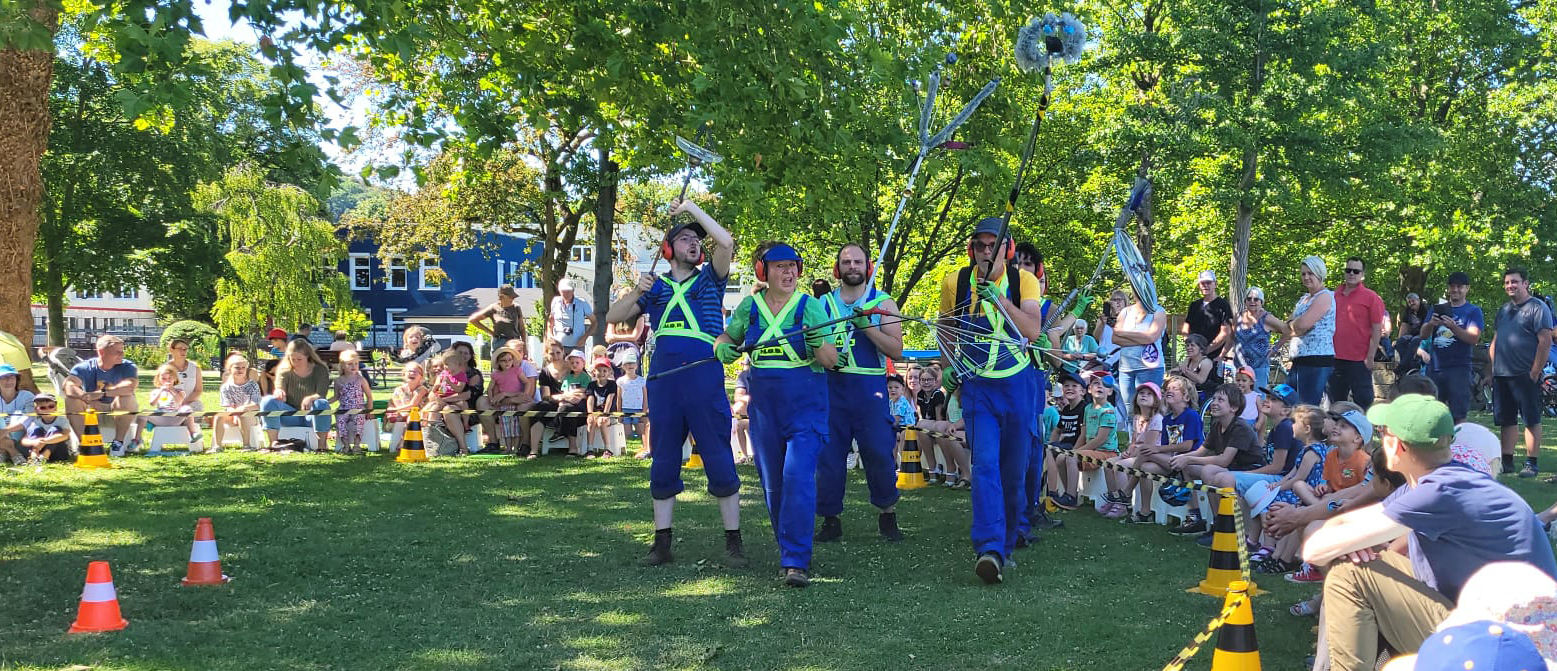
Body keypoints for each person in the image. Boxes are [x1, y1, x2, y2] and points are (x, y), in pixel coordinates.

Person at [1302, 394, 1557, 670]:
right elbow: (1339, 527)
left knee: (1350, 572)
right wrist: (1349, 543)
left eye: (1382, 432)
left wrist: (1347, 544)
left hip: (1505, 650)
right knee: (1357, 562)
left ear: (1395, 445)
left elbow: (1315, 549)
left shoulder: (1439, 492)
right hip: (1500, 632)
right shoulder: (1445, 480)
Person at [605, 199, 746, 569]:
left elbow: (726, 243)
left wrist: (690, 209)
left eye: (695, 240)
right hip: (665, 379)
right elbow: (614, 316)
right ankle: (661, 543)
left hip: (703, 374)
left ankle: (734, 542)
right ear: (668, 250)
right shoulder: (655, 287)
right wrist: (637, 290)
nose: (693, 244)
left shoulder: (711, 279)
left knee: (717, 453)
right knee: (663, 457)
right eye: (684, 239)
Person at [717, 241, 838, 587]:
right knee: (774, 485)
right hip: (765, 408)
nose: (788, 273)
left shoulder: (811, 307)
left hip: (806, 404)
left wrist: (818, 341)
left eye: (793, 266)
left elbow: (830, 360)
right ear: (762, 271)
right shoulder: (750, 307)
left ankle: (796, 560)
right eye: (779, 266)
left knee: (798, 477)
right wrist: (723, 347)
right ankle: (789, 546)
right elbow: (726, 337)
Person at [937, 217, 1046, 585]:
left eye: (994, 246)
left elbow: (1031, 330)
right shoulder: (954, 282)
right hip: (977, 387)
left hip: (1017, 385)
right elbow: (945, 332)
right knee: (984, 466)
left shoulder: (1023, 282)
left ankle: (1009, 540)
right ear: (972, 249)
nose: (987, 252)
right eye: (980, 246)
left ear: (1007, 250)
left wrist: (997, 299)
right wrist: (948, 369)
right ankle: (989, 549)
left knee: (1013, 472)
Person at [816, 243, 905, 544]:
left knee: (879, 451)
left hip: (870, 391)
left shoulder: (883, 304)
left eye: (857, 261)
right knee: (829, 456)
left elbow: (897, 350)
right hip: (833, 388)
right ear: (837, 268)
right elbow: (811, 346)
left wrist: (867, 326)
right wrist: (826, 355)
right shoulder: (823, 304)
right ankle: (830, 518)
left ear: (867, 266)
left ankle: (887, 513)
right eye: (846, 261)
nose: (852, 266)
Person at [1169, 383, 1263, 539]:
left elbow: (1224, 460)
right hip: (1231, 470)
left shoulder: (1240, 427)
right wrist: (1181, 458)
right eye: (1214, 398)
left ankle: (1222, 526)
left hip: (1250, 470)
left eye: (1220, 400)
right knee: (1188, 467)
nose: (1214, 403)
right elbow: (1202, 451)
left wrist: (1188, 458)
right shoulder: (1217, 424)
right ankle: (1196, 517)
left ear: (1233, 408)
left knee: (1208, 471)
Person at [1489, 268, 1554, 477]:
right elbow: (1496, 340)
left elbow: (1545, 341)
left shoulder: (1538, 308)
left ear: (1525, 283)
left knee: (1531, 419)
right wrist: (1493, 367)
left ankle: (1531, 463)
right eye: (1507, 282)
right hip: (1502, 374)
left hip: (1526, 374)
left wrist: (1535, 372)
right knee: (1506, 420)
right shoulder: (1503, 310)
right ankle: (1507, 462)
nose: (1510, 286)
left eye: (1514, 282)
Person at [1420, 271, 1483, 424]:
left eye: (1459, 286)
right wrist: (1430, 324)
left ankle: (1458, 446)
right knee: (1433, 413)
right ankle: (1435, 446)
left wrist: (1453, 327)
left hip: (1459, 368)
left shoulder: (1473, 311)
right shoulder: (1438, 308)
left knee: (1458, 414)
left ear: (1467, 288)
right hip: (1435, 368)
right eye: (1452, 286)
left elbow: (1473, 338)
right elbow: (1422, 335)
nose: (1455, 290)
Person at [62, 335, 140, 455]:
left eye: (122, 351)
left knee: (126, 398)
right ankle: (85, 444)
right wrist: (84, 396)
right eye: (117, 352)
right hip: (93, 412)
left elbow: (130, 386)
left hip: (118, 412)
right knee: (71, 400)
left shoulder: (127, 366)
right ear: (101, 352)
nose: (122, 355)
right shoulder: (84, 367)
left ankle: (118, 443)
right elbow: (68, 385)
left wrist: (105, 393)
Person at [1051, 373, 1118, 511]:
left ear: (1110, 391)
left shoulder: (1108, 411)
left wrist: (1076, 452)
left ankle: (1070, 497)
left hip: (1106, 452)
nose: (1099, 385)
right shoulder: (1088, 409)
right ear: (1089, 390)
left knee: (1071, 457)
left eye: (1104, 384)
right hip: (1091, 452)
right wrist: (1074, 450)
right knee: (1061, 458)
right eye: (1095, 383)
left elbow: (1101, 439)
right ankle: (1070, 494)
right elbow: (1083, 434)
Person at [1277, 256, 1336, 406]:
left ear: (1319, 273)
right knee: (1286, 402)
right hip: (1299, 359)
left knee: (1307, 409)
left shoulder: (1325, 297)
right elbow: (1288, 327)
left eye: (1310, 273)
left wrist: (1296, 325)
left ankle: (1313, 430)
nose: (1306, 277)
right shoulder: (1304, 299)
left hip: (1316, 360)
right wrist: (1294, 327)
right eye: (1303, 274)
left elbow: (1302, 325)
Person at [1329, 257, 1387, 408]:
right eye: (1348, 270)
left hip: (1359, 360)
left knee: (1364, 401)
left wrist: (1370, 357)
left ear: (1362, 274)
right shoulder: (1333, 295)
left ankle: (1363, 431)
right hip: (1335, 358)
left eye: (1356, 271)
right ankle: (1338, 430)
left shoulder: (1371, 297)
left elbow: (1376, 329)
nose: (1352, 274)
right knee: (1336, 402)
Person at [1102, 380, 1163, 520]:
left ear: (1156, 400)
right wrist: (1127, 451)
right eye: (1141, 393)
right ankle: (1114, 498)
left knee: (1120, 466)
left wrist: (1132, 453)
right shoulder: (1137, 418)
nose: (1144, 396)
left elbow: (1149, 446)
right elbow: (1134, 441)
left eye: (1149, 394)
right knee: (1108, 463)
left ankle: (1124, 504)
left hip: (1148, 455)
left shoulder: (1157, 419)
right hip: (1136, 453)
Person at [259, 339, 332, 450]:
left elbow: (321, 393)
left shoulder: (320, 370)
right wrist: (279, 392)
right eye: (292, 359)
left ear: (308, 356)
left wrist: (311, 398)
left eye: (299, 359)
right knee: (268, 401)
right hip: (290, 414)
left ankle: (321, 446)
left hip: (311, 414)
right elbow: (279, 388)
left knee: (321, 403)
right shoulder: (284, 370)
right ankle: (273, 443)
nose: (296, 362)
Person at [1112, 283, 1167, 417]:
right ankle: (1134, 437)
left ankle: (1151, 437)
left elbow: (1151, 337)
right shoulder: (1125, 312)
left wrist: (1123, 334)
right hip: (1126, 369)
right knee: (1130, 409)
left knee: (1150, 408)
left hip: (1150, 367)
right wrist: (1141, 337)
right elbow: (1115, 338)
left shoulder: (1158, 312)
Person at [143, 363, 202, 455]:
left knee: (187, 408)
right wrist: (161, 391)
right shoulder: (156, 392)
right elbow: (152, 403)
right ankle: (137, 438)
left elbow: (179, 401)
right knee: (144, 412)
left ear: (174, 379)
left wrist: (171, 390)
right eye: (164, 378)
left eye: (169, 378)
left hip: (175, 418)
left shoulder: (179, 391)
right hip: (161, 417)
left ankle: (192, 433)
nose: (167, 381)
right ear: (159, 379)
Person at [1232, 286, 1283, 390]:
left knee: (1258, 399)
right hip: (1240, 367)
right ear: (1245, 301)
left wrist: (1275, 348)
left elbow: (1288, 331)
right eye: (1249, 299)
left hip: (1259, 367)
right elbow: (1231, 336)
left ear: (1261, 302)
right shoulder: (1238, 317)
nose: (1252, 302)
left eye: (1256, 299)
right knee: (1239, 400)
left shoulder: (1267, 318)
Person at [488, 347, 533, 455]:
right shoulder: (495, 374)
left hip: (516, 400)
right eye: (503, 361)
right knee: (506, 427)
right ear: (498, 362)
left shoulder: (517, 370)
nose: (507, 363)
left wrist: (525, 394)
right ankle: (508, 448)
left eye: (509, 360)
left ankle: (516, 448)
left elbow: (527, 382)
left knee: (516, 427)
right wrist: (491, 400)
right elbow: (489, 388)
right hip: (504, 403)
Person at [1181, 269, 1234, 360]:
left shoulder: (1223, 305)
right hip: (1193, 356)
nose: (1205, 285)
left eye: (1208, 282)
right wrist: (1190, 345)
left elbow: (1225, 333)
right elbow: (1186, 326)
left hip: (1213, 357)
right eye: (1202, 283)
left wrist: (1205, 351)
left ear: (1215, 284)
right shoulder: (1195, 305)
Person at [215, 353, 262, 451]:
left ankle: (246, 445)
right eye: (237, 367)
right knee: (219, 416)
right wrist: (235, 414)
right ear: (230, 369)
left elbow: (255, 405)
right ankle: (217, 446)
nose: (240, 370)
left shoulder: (253, 385)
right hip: (232, 414)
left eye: (243, 368)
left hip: (251, 415)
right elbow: (228, 406)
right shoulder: (226, 387)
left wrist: (242, 410)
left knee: (243, 416)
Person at [329, 349, 372, 454]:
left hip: (358, 407)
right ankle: (346, 446)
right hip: (344, 408)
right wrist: (325, 402)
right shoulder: (338, 381)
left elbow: (369, 396)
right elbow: (336, 397)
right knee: (340, 421)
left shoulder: (361, 379)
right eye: (350, 364)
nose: (354, 366)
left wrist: (369, 411)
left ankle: (357, 445)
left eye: (356, 364)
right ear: (343, 366)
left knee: (359, 420)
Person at [164, 340, 204, 447]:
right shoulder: (165, 368)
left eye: (185, 349)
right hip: (171, 404)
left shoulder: (195, 368)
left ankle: (190, 433)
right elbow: (162, 388)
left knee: (196, 407)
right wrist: (177, 402)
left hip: (190, 402)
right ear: (171, 350)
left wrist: (185, 401)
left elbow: (198, 390)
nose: (183, 351)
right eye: (180, 349)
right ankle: (191, 433)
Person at [385, 362, 429, 454]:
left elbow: (413, 404)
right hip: (403, 414)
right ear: (404, 374)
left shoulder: (422, 389)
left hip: (420, 414)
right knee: (401, 417)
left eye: (415, 372)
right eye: (409, 371)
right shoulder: (399, 390)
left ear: (421, 376)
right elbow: (396, 404)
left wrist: (398, 411)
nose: (412, 373)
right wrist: (396, 411)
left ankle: (402, 443)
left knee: (411, 418)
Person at [18, 393, 70, 465]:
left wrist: (45, 441)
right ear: (37, 410)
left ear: (56, 407)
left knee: (54, 429)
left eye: (51, 406)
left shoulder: (62, 420)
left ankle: (44, 457)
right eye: (43, 407)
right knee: (35, 429)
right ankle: (34, 456)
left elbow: (65, 436)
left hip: (58, 452)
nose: (47, 410)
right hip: (40, 449)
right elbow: (24, 440)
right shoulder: (36, 421)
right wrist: (34, 442)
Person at [0, 364, 36, 464]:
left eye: (12, 377)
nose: (8, 381)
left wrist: (6, 430)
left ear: (17, 380)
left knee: (19, 414)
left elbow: (30, 417)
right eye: (4, 377)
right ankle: (13, 453)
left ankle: (2, 452)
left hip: (20, 434)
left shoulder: (27, 396)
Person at [1170, 333, 1220, 404]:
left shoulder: (1206, 362)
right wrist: (1171, 373)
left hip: (1203, 393)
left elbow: (1201, 380)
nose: (1189, 348)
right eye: (1187, 345)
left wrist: (1185, 371)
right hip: (1189, 392)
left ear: (1201, 349)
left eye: (1192, 345)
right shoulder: (1188, 360)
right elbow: (1178, 369)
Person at [584, 357, 618, 458]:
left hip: (609, 414)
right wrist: (590, 413)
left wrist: (605, 414)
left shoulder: (612, 384)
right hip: (595, 413)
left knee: (602, 421)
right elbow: (590, 399)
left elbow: (609, 399)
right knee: (591, 421)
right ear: (594, 371)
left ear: (609, 372)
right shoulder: (591, 385)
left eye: (604, 370)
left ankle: (607, 449)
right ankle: (589, 449)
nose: (602, 373)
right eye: (599, 370)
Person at [548, 278, 594, 350]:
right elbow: (551, 320)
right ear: (559, 291)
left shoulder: (582, 302)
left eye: (568, 291)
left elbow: (594, 322)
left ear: (573, 291)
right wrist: (550, 335)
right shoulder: (555, 301)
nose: (566, 294)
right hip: (559, 346)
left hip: (577, 346)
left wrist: (585, 337)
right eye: (564, 291)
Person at [1394, 293, 1429, 375]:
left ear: (1418, 300)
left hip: (1424, 334)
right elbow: (1404, 325)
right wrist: (1398, 339)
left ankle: (1402, 367)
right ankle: (1408, 366)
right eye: (1409, 302)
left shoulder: (1425, 309)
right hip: (1413, 333)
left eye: (1413, 301)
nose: (1411, 303)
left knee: (1414, 341)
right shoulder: (1408, 311)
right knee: (1401, 342)